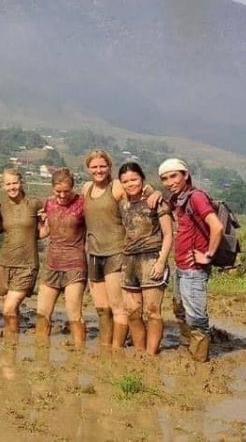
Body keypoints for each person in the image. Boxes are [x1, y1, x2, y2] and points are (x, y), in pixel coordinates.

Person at [82, 149, 160, 349]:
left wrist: (156, 192)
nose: (98, 170)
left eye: (102, 166)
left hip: (115, 252)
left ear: (109, 167)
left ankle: (116, 350)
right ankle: (104, 346)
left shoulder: (116, 187)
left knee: (118, 308)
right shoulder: (86, 188)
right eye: (94, 167)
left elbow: (139, 191)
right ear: (88, 168)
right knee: (101, 308)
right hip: (93, 253)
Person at [159, 158, 223, 362]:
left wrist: (208, 255)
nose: (170, 182)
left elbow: (217, 226)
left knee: (196, 317)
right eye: (165, 179)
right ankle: (190, 348)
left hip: (194, 269)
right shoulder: (178, 199)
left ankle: (199, 360)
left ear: (185, 175)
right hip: (182, 267)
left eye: (174, 176)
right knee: (180, 308)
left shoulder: (196, 198)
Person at [118, 162, 173, 355]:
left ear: (142, 179)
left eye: (134, 179)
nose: (130, 184)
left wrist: (161, 261)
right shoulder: (123, 203)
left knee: (152, 311)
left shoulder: (156, 201)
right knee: (133, 312)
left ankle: (151, 354)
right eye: (125, 181)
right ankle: (140, 352)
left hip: (152, 259)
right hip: (129, 261)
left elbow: (168, 234)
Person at [35, 168, 87, 347]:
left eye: (67, 191)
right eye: (58, 191)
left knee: (73, 314)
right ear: (52, 188)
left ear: (73, 187)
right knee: (42, 313)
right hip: (52, 263)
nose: (63, 195)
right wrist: (38, 225)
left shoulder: (82, 203)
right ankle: (41, 353)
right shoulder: (49, 204)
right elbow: (45, 232)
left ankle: (79, 351)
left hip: (75, 264)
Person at [0, 168, 43, 335]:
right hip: (5, 263)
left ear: (21, 183)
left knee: (8, 309)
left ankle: (11, 348)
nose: (12, 187)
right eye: (8, 184)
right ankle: (13, 344)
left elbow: (45, 229)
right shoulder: (2, 207)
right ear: (3, 186)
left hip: (26, 265)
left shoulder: (34, 204)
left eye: (15, 183)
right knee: (11, 310)